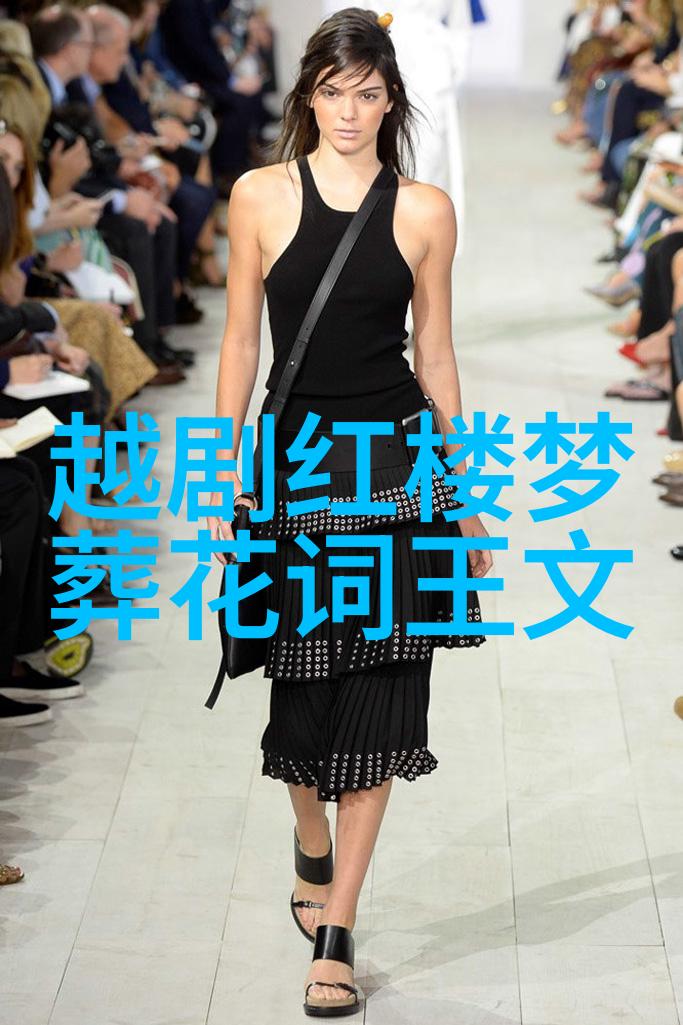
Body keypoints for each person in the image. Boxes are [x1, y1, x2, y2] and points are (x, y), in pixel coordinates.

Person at [208, 7, 492, 1017]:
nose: (348, 110)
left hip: (398, 472)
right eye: (332, 91)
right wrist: (223, 469)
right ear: (307, 96)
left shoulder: (423, 211)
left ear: (390, 102)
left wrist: (466, 497)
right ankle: (309, 837)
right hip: (292, 468)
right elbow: (238, 341)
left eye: (367, 93)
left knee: (381, 696)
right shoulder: (258, 196)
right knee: (298, 693)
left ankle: (336, 926)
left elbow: (437, 356)